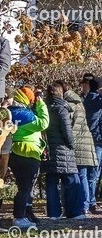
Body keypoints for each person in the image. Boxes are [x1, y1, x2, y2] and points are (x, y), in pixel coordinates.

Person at [4, 87, 48, 230]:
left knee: (23, 186)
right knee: (25, 187)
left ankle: (25, 213)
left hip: (15, 152)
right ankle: (19, 217)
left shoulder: (11, 112)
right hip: (28, 153)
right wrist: (41, 104)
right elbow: (43, 123)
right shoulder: (25, 115)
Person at [42, 82, 83, 220]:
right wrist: (71, 145)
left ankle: (54, 214)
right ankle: (74, 212)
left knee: (52, 183)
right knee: (72, 181)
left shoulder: (45, 108)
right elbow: (67, 131)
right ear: (61, 93)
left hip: (49, 151)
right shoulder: (62, 109)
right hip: (63, 150)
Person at [66, 85, 98, 217]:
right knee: (84, 176)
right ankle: (86, 204)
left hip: (78, 145)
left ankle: (83, 205)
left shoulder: (70, 106)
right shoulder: (80, 104)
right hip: (86, 144)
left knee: (80, 176)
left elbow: (70, 129)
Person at [79, 74, 102, 213]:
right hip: (96, 140)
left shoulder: (88, 99)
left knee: (92, 173)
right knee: (93, 173)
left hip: (95, 139)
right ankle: (90, 202)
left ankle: (90, 201)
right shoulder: (94, 100)